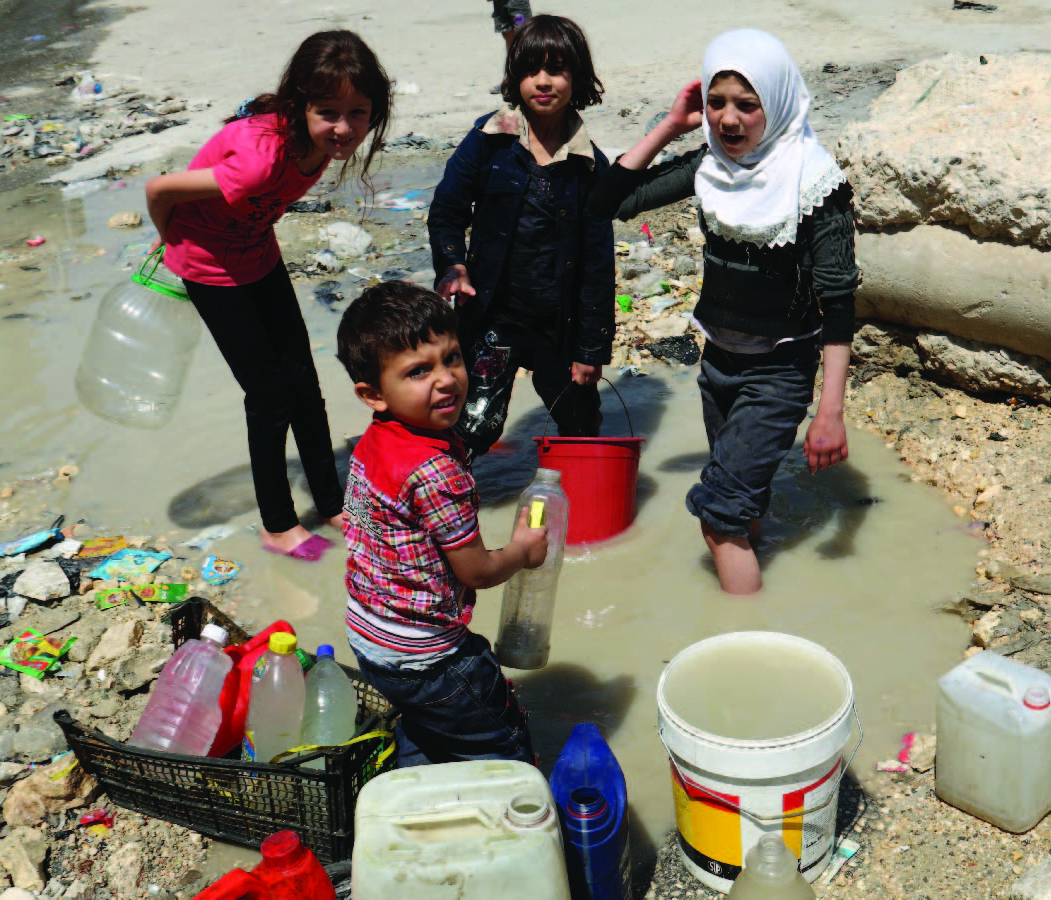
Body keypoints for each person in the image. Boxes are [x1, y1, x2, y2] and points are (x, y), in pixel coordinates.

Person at [588, 29, 859, 595]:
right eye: (717, 103)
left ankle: (744, 639)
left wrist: (828, 411)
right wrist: (668, 127)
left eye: (747, 105)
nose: (729, 120)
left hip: (780, 371)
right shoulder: (708, 166)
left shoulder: (816, 185)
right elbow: (606, 203)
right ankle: (753, 590)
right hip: (717, 367)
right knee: (740, 505)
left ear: (778, 104)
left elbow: (837, 306)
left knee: (717, 517)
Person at [145, 31, 391, 560]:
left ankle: (331, 502)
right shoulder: (260, 158)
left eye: (359, 112)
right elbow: (158, 189)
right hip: (209, 267)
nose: (345, 128)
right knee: (270, 395)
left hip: (259, 254)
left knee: (304, 378)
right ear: (302, 104)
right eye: (329, 112)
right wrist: (171, 244)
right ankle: (277, 525)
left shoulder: (320, 144)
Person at [335, 281, 547, 766]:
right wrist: (522, 550)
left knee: (429, 725)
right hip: (428, 655)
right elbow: (476, 573)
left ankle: (409, 791)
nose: (446, 379)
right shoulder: (435, 471)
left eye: (451, 358)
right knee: (502, 743)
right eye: (418, 371)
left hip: (370, 637)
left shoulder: (374, 441)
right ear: (373, 395)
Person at [428, 14, 615, 462]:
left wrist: (592, 349)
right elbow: (447, 211)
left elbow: (597, 265)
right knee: (473, 423)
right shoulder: (489, 141)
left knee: (579, 425)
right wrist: (453, 266)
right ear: (514, 78)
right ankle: (451, 514)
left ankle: (576, 519)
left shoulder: (590, 166)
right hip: (495, 318)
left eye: (556, 70)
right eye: (531, 70)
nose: (543, 82)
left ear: (579, 78)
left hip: (560, 326)